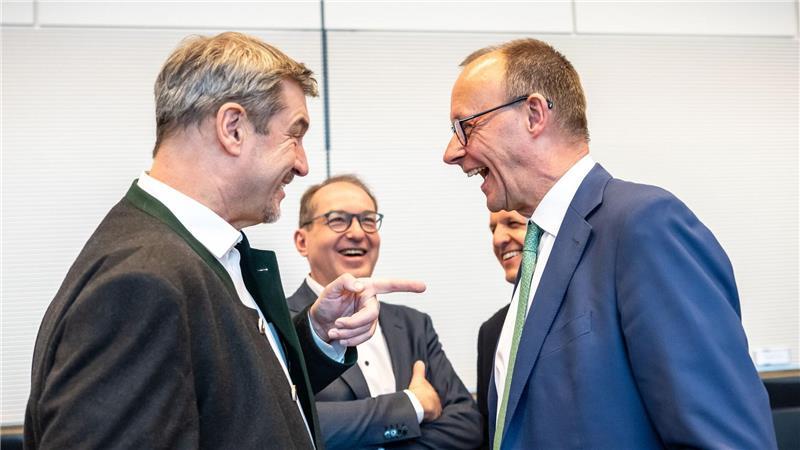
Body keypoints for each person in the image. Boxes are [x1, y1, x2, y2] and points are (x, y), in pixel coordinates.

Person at [24, 32, 424, 449]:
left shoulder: (193, 253)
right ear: (233, 128)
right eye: (295, 134)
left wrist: (319, 334)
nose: (304, 165)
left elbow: (234, 400)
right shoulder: (141, 281)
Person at [443, 38, 776, 449]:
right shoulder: (539, 253)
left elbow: (728, 439)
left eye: (466, 126)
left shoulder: (644, 225)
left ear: (533, 114)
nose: (452, 152)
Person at [286, 175, 482, 449]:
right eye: (338, 220)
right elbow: (287, 423)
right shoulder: (277, 322)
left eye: (368, 220)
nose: (357, 232)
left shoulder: (414, 325)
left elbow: (467, 425)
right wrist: (411, 406)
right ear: (302, 241)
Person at [476, 210, 527, 450]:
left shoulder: (586, 308)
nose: (498, 239)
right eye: (493, 229)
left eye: (513, 224)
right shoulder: (491, 331)